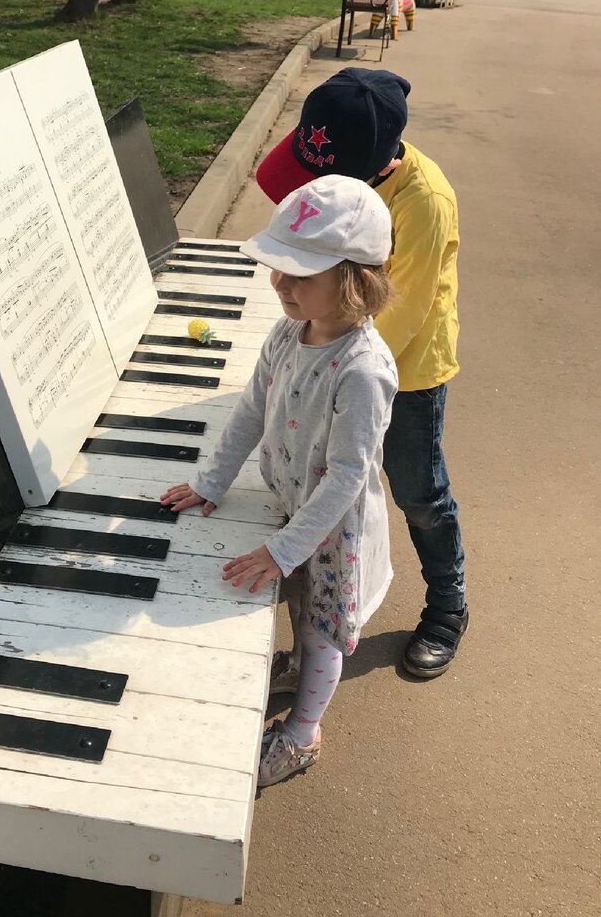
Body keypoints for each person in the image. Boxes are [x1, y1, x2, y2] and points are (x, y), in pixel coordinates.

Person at [161, 176, 397, 788]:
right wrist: (213, 480)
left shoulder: (363, 371)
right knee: (292, 600)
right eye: (278, 267)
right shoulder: (288, 332)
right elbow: (249, 411)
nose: (280, 284)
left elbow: (348, 476)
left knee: (323, 629)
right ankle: (294, 665)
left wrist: (284, 549)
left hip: (331, 526)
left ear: (355, 281)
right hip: (293, 507)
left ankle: (303, 733)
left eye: (300, 274)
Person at [255, 68, 467, 678]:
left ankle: (448, 605)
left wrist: (329, 368)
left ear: (372, 171)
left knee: (417, 491)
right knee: (321, 476)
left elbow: (397, 313)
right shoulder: (338, 151)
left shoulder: (424, 203)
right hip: (335, 349)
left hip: (400, 365)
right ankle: (309, 624)